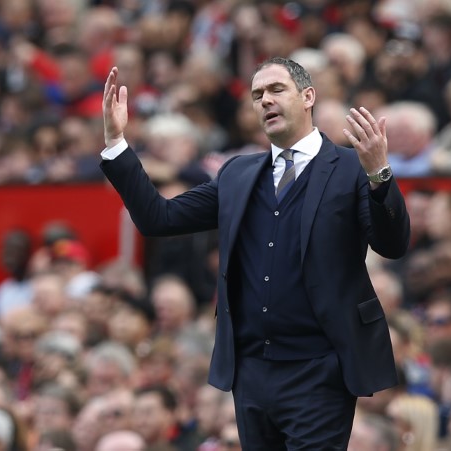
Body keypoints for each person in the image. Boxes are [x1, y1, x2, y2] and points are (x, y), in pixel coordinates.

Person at [100, 57, 410, 449]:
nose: (265, 100)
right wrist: (116, 145)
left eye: (276, 89)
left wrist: (380, 174)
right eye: (257, 94)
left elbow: (393, 245)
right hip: (250, 372)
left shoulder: (352, 168)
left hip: (320, 369)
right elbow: (159, 218)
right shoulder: (237, 174)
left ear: (308, 96)